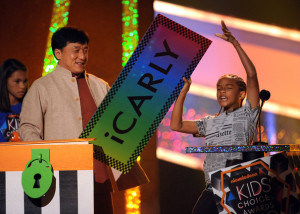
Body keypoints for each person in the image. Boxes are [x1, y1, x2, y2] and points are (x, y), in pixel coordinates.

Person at [19, 27, 148, 213]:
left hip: (100, 181)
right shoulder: (42, 87)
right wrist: (44, 161)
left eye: (85, 50)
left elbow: (123, 122)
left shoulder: (100, 85)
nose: (82, 55)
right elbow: (28, 128)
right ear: (58, 53)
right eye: (76, 50)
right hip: (62, 180)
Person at [170, 21, 260, 213]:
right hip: (212, 188)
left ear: (242, 94)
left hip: (238, 186)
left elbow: (251, 75)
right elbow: (176, 125)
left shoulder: (247, 115)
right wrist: (183, 92)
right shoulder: (209, 122)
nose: (222, 92)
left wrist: (235, 44)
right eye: (219, 88)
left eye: (228, 87)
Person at [0, 58, 28, 142]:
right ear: (5, 80)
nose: (22, 86)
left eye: (25, 81)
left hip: (25, 153)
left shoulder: (29, 108)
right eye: (17, 81)